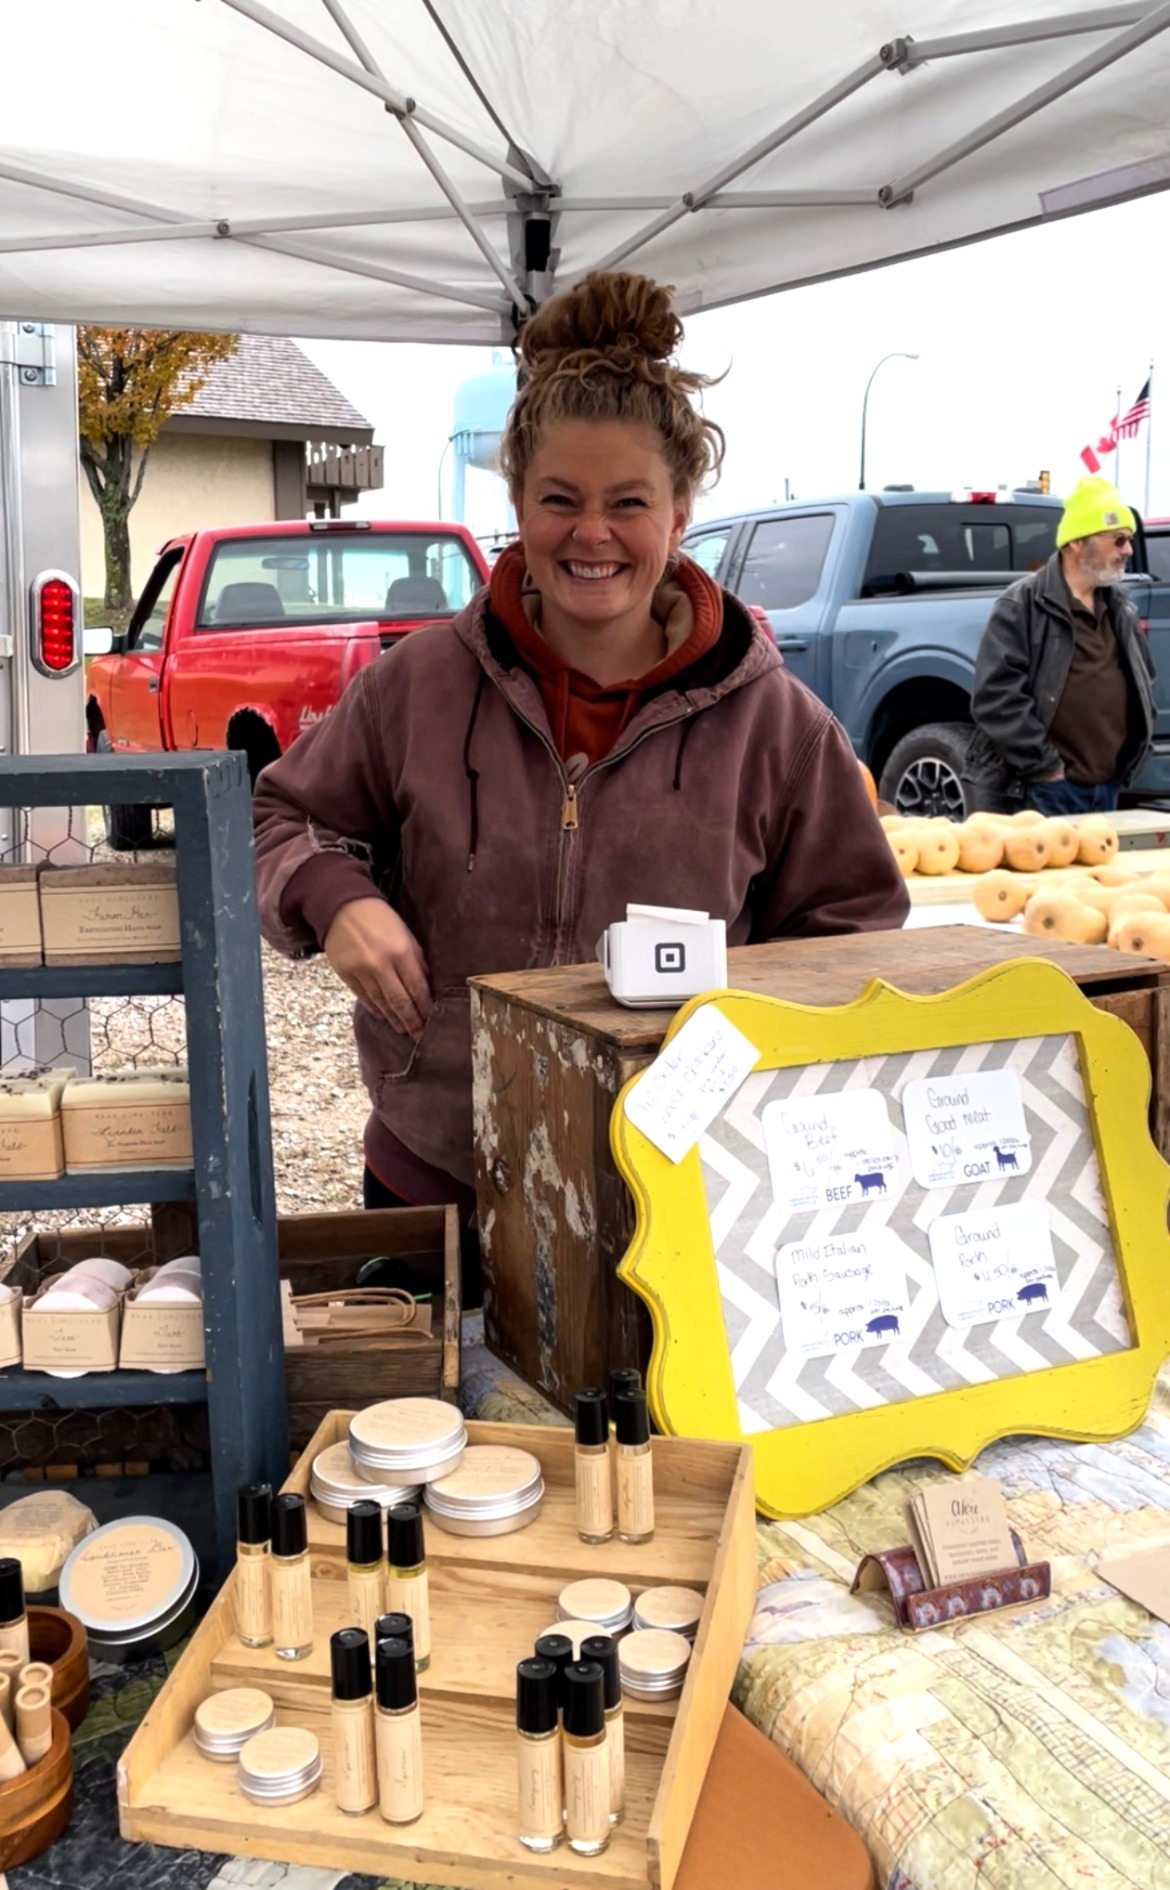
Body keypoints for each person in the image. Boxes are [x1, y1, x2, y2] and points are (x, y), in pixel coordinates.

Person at [252, 270, 909, 1302]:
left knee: (641, 1466)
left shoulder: (778, 725)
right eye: (559, 500)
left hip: (675, 1198)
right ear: (517, 504)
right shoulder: (416, 685)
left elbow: (855, 937)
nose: (591, 534)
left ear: (682, 511)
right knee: (426, 1451)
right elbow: (279, 812)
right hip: (435, 1183)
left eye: (628, 504)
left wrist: (748, 1055)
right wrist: (334, 896)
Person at [964, 477, 1155, 816]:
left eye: (1129, 540)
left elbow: (1144, 682)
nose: (1128, 550)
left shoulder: (1120, 609)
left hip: (1109, 787)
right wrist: (1047, 768)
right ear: (1078, 543)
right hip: (1046, 791)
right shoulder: (1022, 605)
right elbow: (996, 698)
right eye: (1119, 540)